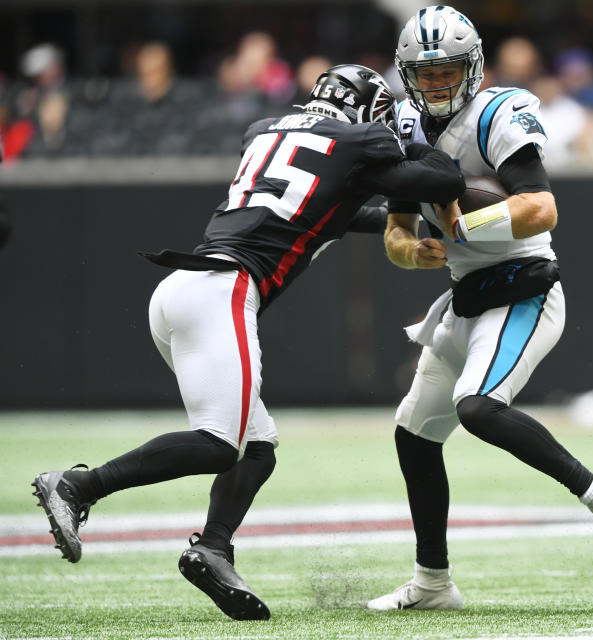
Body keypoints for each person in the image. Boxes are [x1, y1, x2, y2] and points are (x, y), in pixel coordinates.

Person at [31, 64, 464, 621]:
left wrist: (389, 216)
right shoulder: (366, 137)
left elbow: (325, 206)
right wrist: (412, 140)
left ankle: (213, 548)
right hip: (224, 289)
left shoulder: (264, 129)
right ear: (370, 109)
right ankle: (77, 486)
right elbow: (442, 180)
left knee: (256, 447)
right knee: (219, 443)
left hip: (181, 288)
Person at [366, 5, 593, 611]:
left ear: (474, 66)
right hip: (466, 295)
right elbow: (395, 232)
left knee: (478, 408)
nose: (436, 83)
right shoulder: (402, 124)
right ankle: (434, 583)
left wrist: (466, 227)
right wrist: (414, 253)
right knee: (414, 433)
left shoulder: (497, 111)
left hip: (524, 284)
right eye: (425, 72)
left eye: (447, 71)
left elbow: (542, 208)